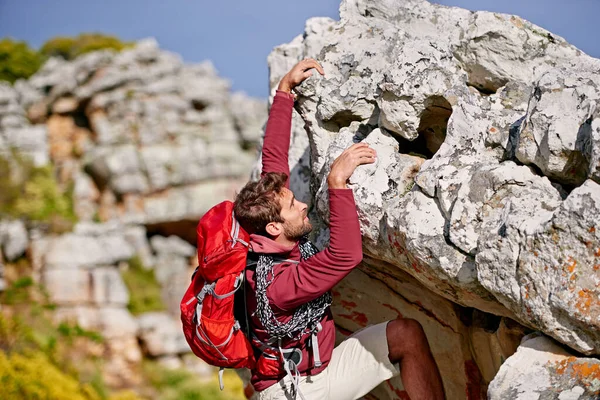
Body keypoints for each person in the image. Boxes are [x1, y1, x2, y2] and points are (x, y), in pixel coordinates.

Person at [233, 59, 445, 400]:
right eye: (294, 206)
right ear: (274, 227)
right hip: (296, 390)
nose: (302, 205)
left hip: (312, 369)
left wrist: (284, 92)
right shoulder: (279, 285)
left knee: (405, 334)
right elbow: (346, 254)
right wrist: (337, 181)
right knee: (405, 338)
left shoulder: (259, 233)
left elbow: (274, 163)